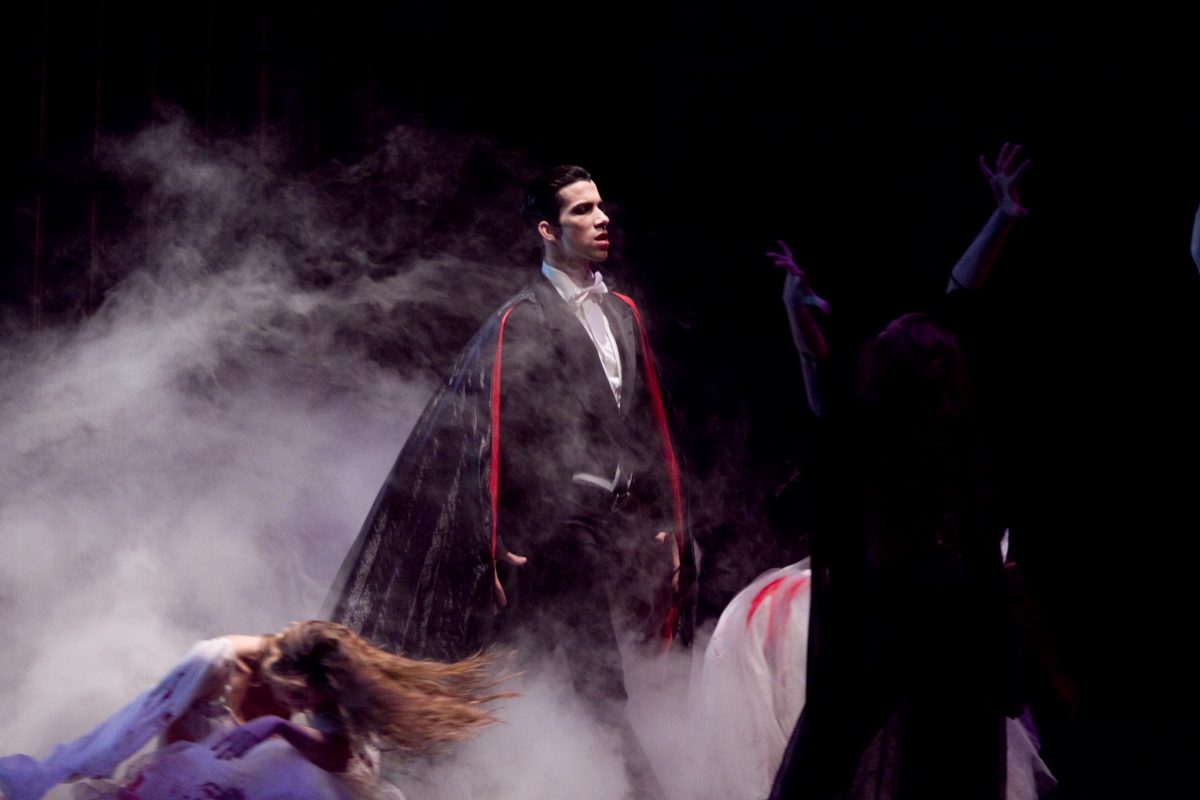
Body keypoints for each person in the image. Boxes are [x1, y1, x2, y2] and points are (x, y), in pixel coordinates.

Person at [763, 144, 1052, 799]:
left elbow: (827, 394)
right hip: (942, 614)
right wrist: (1002, 218)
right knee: (938, 763)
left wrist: (795, 313)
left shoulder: (880, 432)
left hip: (898, 614)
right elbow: (958, 298)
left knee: (856, 755)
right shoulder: (948, 433)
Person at [0, 621, 505, 800]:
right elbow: (133, 729)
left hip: (255, 772)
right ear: (275, 666)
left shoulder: (320, 675)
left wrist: (278, 725)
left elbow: (336, 757)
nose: (300, 705)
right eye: (295, 697)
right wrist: (44, 775)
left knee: (304, 775)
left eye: (306, 701)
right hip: (197, 765)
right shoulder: (212, 663)